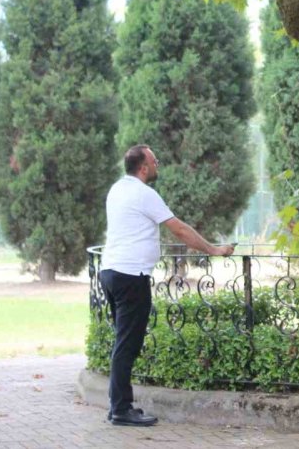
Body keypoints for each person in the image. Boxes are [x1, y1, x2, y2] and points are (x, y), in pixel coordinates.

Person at [98, 144, 235, 427]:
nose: (158, 164)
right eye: (155, 161)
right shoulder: (144, 194)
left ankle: (118, 406)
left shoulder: (117, 189)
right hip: (130, 276)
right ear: (143, 167)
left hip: (111, 272)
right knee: (127, 345)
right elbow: (180, 229)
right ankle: (121, 409)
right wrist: (214, 250)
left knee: (122, 342)